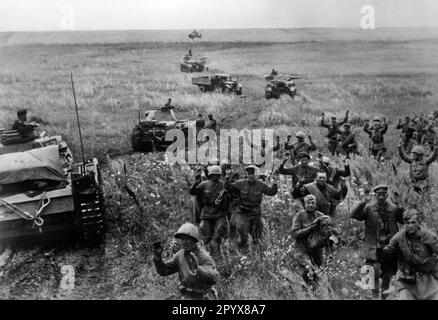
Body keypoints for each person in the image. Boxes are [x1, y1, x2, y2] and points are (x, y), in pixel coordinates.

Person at [350, 184, 404, 299]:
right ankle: (374, 295)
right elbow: (353, 214)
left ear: (387, 195)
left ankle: (384, 296)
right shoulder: (369, 208)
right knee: (373, 271)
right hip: (373, 247)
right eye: (378, 195)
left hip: (389, 247)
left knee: (388, 274)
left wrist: (399, 205)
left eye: (383, 194)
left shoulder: (393, 208)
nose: (381, 197)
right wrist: (363, 201)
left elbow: (404, 220)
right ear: (375, 196)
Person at [381, 209, 438, 300]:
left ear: (418, 222)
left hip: (427, 280)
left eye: (413, 222)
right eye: (407, 223)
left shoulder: (428, 236)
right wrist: (380, 246)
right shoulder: (399, 237)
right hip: (407, 281)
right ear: (404, 223)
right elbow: (387, 252)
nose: (410, 225)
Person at [153, 223, 218, 300]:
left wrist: (197, 268)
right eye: (182, 239)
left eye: (187, 239)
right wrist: (158, 257)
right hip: (186, 295)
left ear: (194, 240)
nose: (184, 242)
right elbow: (163, 270)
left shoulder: (204, 257)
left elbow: (213, 278)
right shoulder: (180, 255)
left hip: (202, 296)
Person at [224, 165, 278, 252]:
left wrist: (275, 182)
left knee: (257, 237)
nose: (251, 176)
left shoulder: (261, 185)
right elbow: (228, 187)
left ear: (256, 175)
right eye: (249, 174)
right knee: (243, 233)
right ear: (247, 175)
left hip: (256, 214)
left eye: (253, 174)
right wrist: (227, 176)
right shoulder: (241, 183)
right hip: (243, 213)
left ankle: (255, 253)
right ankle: (240, 250)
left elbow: (271, 192)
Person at [291, 195, 335, 288]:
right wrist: (310, 228)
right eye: (308, 203)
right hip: (301, 249)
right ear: (304, 204)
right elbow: (294, 234)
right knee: (309, 269)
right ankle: (305, 287)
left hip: (316, 250)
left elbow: (327, 234)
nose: (310, 205)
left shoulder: (321, 216)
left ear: (316, 204)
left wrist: (329, 252)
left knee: (318, 274)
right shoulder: (299, 216)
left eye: (312, 203)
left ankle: (313, 293)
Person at [189, 165, 228, 259]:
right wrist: (195, 183)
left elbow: (229, 198)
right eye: (214, 175)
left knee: (220, 231)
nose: (216, 177)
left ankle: (218, 256)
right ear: (210, 175)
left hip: (219, 213)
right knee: (206, 236)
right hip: (207, 214)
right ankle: (200, 255)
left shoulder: (223, 185)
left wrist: (221, 203)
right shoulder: (204, 184)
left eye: (218, 175)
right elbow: (192, 192)